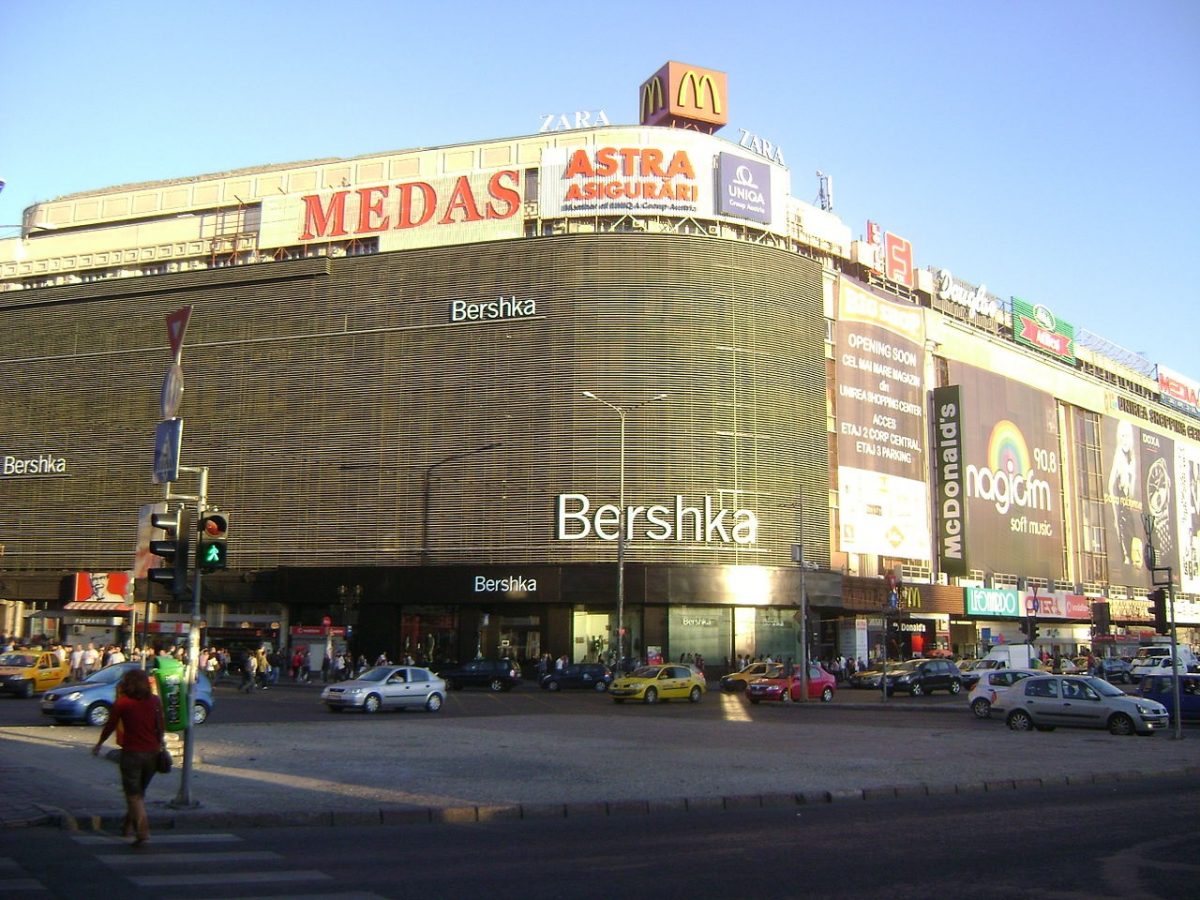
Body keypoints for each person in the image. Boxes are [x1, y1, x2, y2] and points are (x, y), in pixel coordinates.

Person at [91, 668, 165, 846]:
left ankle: (143, 832)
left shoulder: (122, 703)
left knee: (133, 795)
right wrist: (160, 743)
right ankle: (127, 827)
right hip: (153, 754)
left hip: (132, 753)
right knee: (140, 792)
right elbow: (160, 726)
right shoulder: (155, 701)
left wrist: (99, 744)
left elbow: (110, 725)